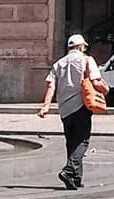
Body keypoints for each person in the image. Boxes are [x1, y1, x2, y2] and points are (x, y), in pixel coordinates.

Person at [37, 33, 103, 190]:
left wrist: (46, 106)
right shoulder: (87, 60)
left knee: (71, 141)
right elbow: (95, 81)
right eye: (84, 47)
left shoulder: (59, 63)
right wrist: (105, 89)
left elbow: (51, 85)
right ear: (81, 47)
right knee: (82, 140)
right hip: (81, 105)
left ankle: (75, 178)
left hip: (64, 109)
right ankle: (69, 170)